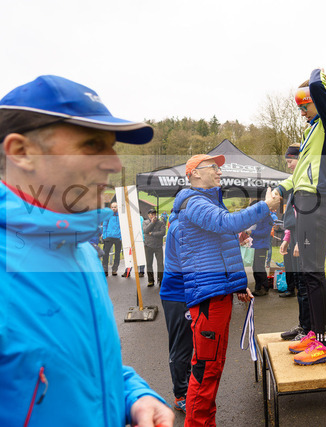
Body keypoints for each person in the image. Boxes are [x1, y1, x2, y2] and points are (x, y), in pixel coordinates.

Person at [0, 75, 172, 426]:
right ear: (21, 152)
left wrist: (133, 395)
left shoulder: (81, 251)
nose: (115, 164)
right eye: (93, 145)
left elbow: (85, 364)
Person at [174, 153, 281, 427]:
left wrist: (237, 285)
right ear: (195, 173)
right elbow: (228, 223)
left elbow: (219, 248)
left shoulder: (206, 202)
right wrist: (265, 206)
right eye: (214, 167)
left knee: (213, 367)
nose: (220, 171)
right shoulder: (195, 202)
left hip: (216, 294)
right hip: (208, 298)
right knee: (206, 369)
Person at [275, 69, 326, 365]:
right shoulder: (312, 130)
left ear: (319, 99)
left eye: (304, 106)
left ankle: (325, 342)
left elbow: (317, 84)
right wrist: (281, 189)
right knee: (308, 273)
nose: (302, 113)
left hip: (318, 202)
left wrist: (316, 74)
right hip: (305, 201)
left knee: (314, 273)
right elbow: (299, 175)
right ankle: (314, 333)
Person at [159, 209, 192, 414]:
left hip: (182, 294)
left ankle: (187, 389)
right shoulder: (180, 227)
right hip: (177, 295)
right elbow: (190, 264)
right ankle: (181, 395)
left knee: (186, 346)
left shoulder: (182, 224)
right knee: (181, 348)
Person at [280, 144, 312, 343]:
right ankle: (303, 325)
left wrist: (301, 241)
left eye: (290, 161)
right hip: (295, 238)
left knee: (307, 286)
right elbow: (293, 216)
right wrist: (287, 239)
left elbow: (307, 216)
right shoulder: (295, 183)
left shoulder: (306, 183)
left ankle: (310, 329)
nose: (289, 165)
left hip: (305, 238)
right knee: (300, 284)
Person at [248, 200, 277, 296]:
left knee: (259, 267)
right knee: (255, 267)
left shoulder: (267, 218)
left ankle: (264, 288)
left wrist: (251, 232)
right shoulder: (258, 217)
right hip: (256, 245)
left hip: (262, 246)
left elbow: (265, 233)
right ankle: (258, 287)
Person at [143, 208, 166, 287]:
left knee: (160, 264)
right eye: (151, 214)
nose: (153, 215)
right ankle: (150, 280)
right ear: (148, 215)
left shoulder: (160, 222)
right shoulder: (145, 222)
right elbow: (146, 231)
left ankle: (161, 280)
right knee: (149, 264)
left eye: (154, 214)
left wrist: (152, 233)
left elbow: (162, 233)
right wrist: (152, 223)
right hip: (148, 246)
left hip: (158, 246)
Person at [102, 201, 122, 276]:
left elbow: (123, 226)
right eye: (112, 207)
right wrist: (105, 236)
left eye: (115, 207)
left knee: (117, 254)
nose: (113, 208)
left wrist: (121, 237)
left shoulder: (121, 216)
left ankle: (114, 269)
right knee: (105, 254)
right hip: (109, 237)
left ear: (118, 207)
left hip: (118, 238)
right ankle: (105, 269)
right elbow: (104, 225)